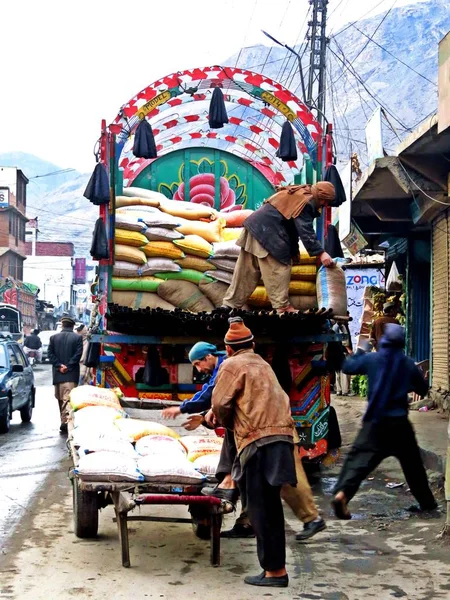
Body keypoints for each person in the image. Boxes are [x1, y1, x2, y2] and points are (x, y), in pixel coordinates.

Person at [206, 317, 297, 588]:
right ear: (253, 345)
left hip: (258, 442)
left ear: (228, 349)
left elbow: (221, 403)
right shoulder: (263, 364)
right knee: (271, 507)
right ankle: (276, 568)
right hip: (282, 439)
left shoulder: (231, 365)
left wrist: (219, 419)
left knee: (259, 508)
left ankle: (274, 572)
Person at [331, 323, 437, 520]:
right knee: (413, 465)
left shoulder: (373, 359)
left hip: (374, 423)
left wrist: (362, 349)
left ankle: (342, 494)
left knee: (358, 461)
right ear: (401, 343)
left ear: (383, 341)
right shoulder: (407, 363)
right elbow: (423, 389)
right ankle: (427, 503)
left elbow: (348, 367)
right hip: (399, 425)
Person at [222, 182, 336, 314]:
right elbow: (305, 231)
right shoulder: (307, 202)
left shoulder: (299, 192)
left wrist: (294, 251)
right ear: (321, 197)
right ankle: (282, 307)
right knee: (279, 268)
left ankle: (229, 305)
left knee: (246, 271)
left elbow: (290, 225)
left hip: (254, 227)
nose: (325, 205)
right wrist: (321, 253)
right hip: (270, 233)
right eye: (326, 202)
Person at [161, 342, 226, 420]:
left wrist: (181, 409)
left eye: (198, 363)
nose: (198, 370)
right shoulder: (218, 367)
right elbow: (206, 389)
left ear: (208, 356)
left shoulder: (224, 367)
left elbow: (209, 394)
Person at [48, 316, 83, 434]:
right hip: (71, 374)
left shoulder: (53, 338)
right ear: (72, 326)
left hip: (58, 375)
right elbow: (78, 355)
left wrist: (59, 366)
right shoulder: (77, 338)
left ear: (62, 325)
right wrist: (68, 366)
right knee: (68, 399)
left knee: (60, 399)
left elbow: (50, 354)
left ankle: (64, 421)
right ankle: (66, 422)